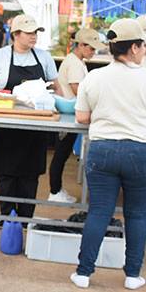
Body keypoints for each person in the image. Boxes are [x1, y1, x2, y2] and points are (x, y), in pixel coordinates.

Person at [71, 18, 146, 290]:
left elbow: (81, 117)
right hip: (143, 151)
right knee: (137, 214)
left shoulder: (94, 76)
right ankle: (132, 275)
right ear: (136, 48)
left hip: (103, 150)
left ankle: (83, 272)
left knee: (99, 211)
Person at [0, 14, 60, 227]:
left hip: (35, 124)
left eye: (35, 33)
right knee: (5, 173)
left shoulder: (44, 57)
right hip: (6, 124)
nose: (34, 37)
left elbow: (56, 88)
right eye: (29, 33)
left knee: (30, 173)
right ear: (15, 34)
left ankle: (25, 218)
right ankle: (6, 216)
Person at [48, 28, 106, 203]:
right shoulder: (74, 63)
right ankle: (55, 191)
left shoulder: (76, 61)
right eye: (91, 48)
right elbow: (78, 90)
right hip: (69, 114)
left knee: (62, 154)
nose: (93, 52)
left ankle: (56, 189)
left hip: (70, 113)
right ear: (81, 45)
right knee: (61, 154)